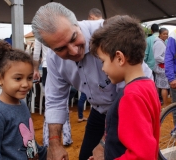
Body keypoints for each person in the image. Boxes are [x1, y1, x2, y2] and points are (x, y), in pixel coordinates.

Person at [31, 2, 153, 160]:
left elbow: (142, 151)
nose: (74, 51)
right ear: (50, 48)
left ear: (77, 23)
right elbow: (55, 100)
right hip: (99, 110)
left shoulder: (110, 34)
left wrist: (103, 145)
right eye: (60, 49)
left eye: (74, 38)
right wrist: (54, 143)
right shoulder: (54, 59)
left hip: (128, 110)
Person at [88, 15, 161, 160]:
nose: (102, 68)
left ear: (120, 58)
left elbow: (141, 155)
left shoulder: (131, 96)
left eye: (103, 61)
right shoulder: (148, 86)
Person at [0, 39, 46, 160]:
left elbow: (30, 143)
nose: (26, 84)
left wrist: (48, 153)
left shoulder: (22, 105)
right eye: (18, 78)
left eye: (29, 78)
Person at [33, 39, 73, 147]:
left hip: (48, 66)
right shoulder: (59, 27)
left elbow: (36, 53)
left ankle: (47, 139)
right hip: (62, 63)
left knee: (51, 104)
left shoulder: (39, 33)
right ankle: (66, 137)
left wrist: (36, 70)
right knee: (63, 102)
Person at [153, 28, 170, 107]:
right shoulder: (159, 43)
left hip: (160, 67)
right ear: (159, 34)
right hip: (162, 67)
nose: (166, 35)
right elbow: (157, 57)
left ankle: (156, 101)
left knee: (159, 85)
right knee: (164, 87)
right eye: (164, 34)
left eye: (167, 34)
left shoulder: (160, 42)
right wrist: (167, 60)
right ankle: (166, 104)